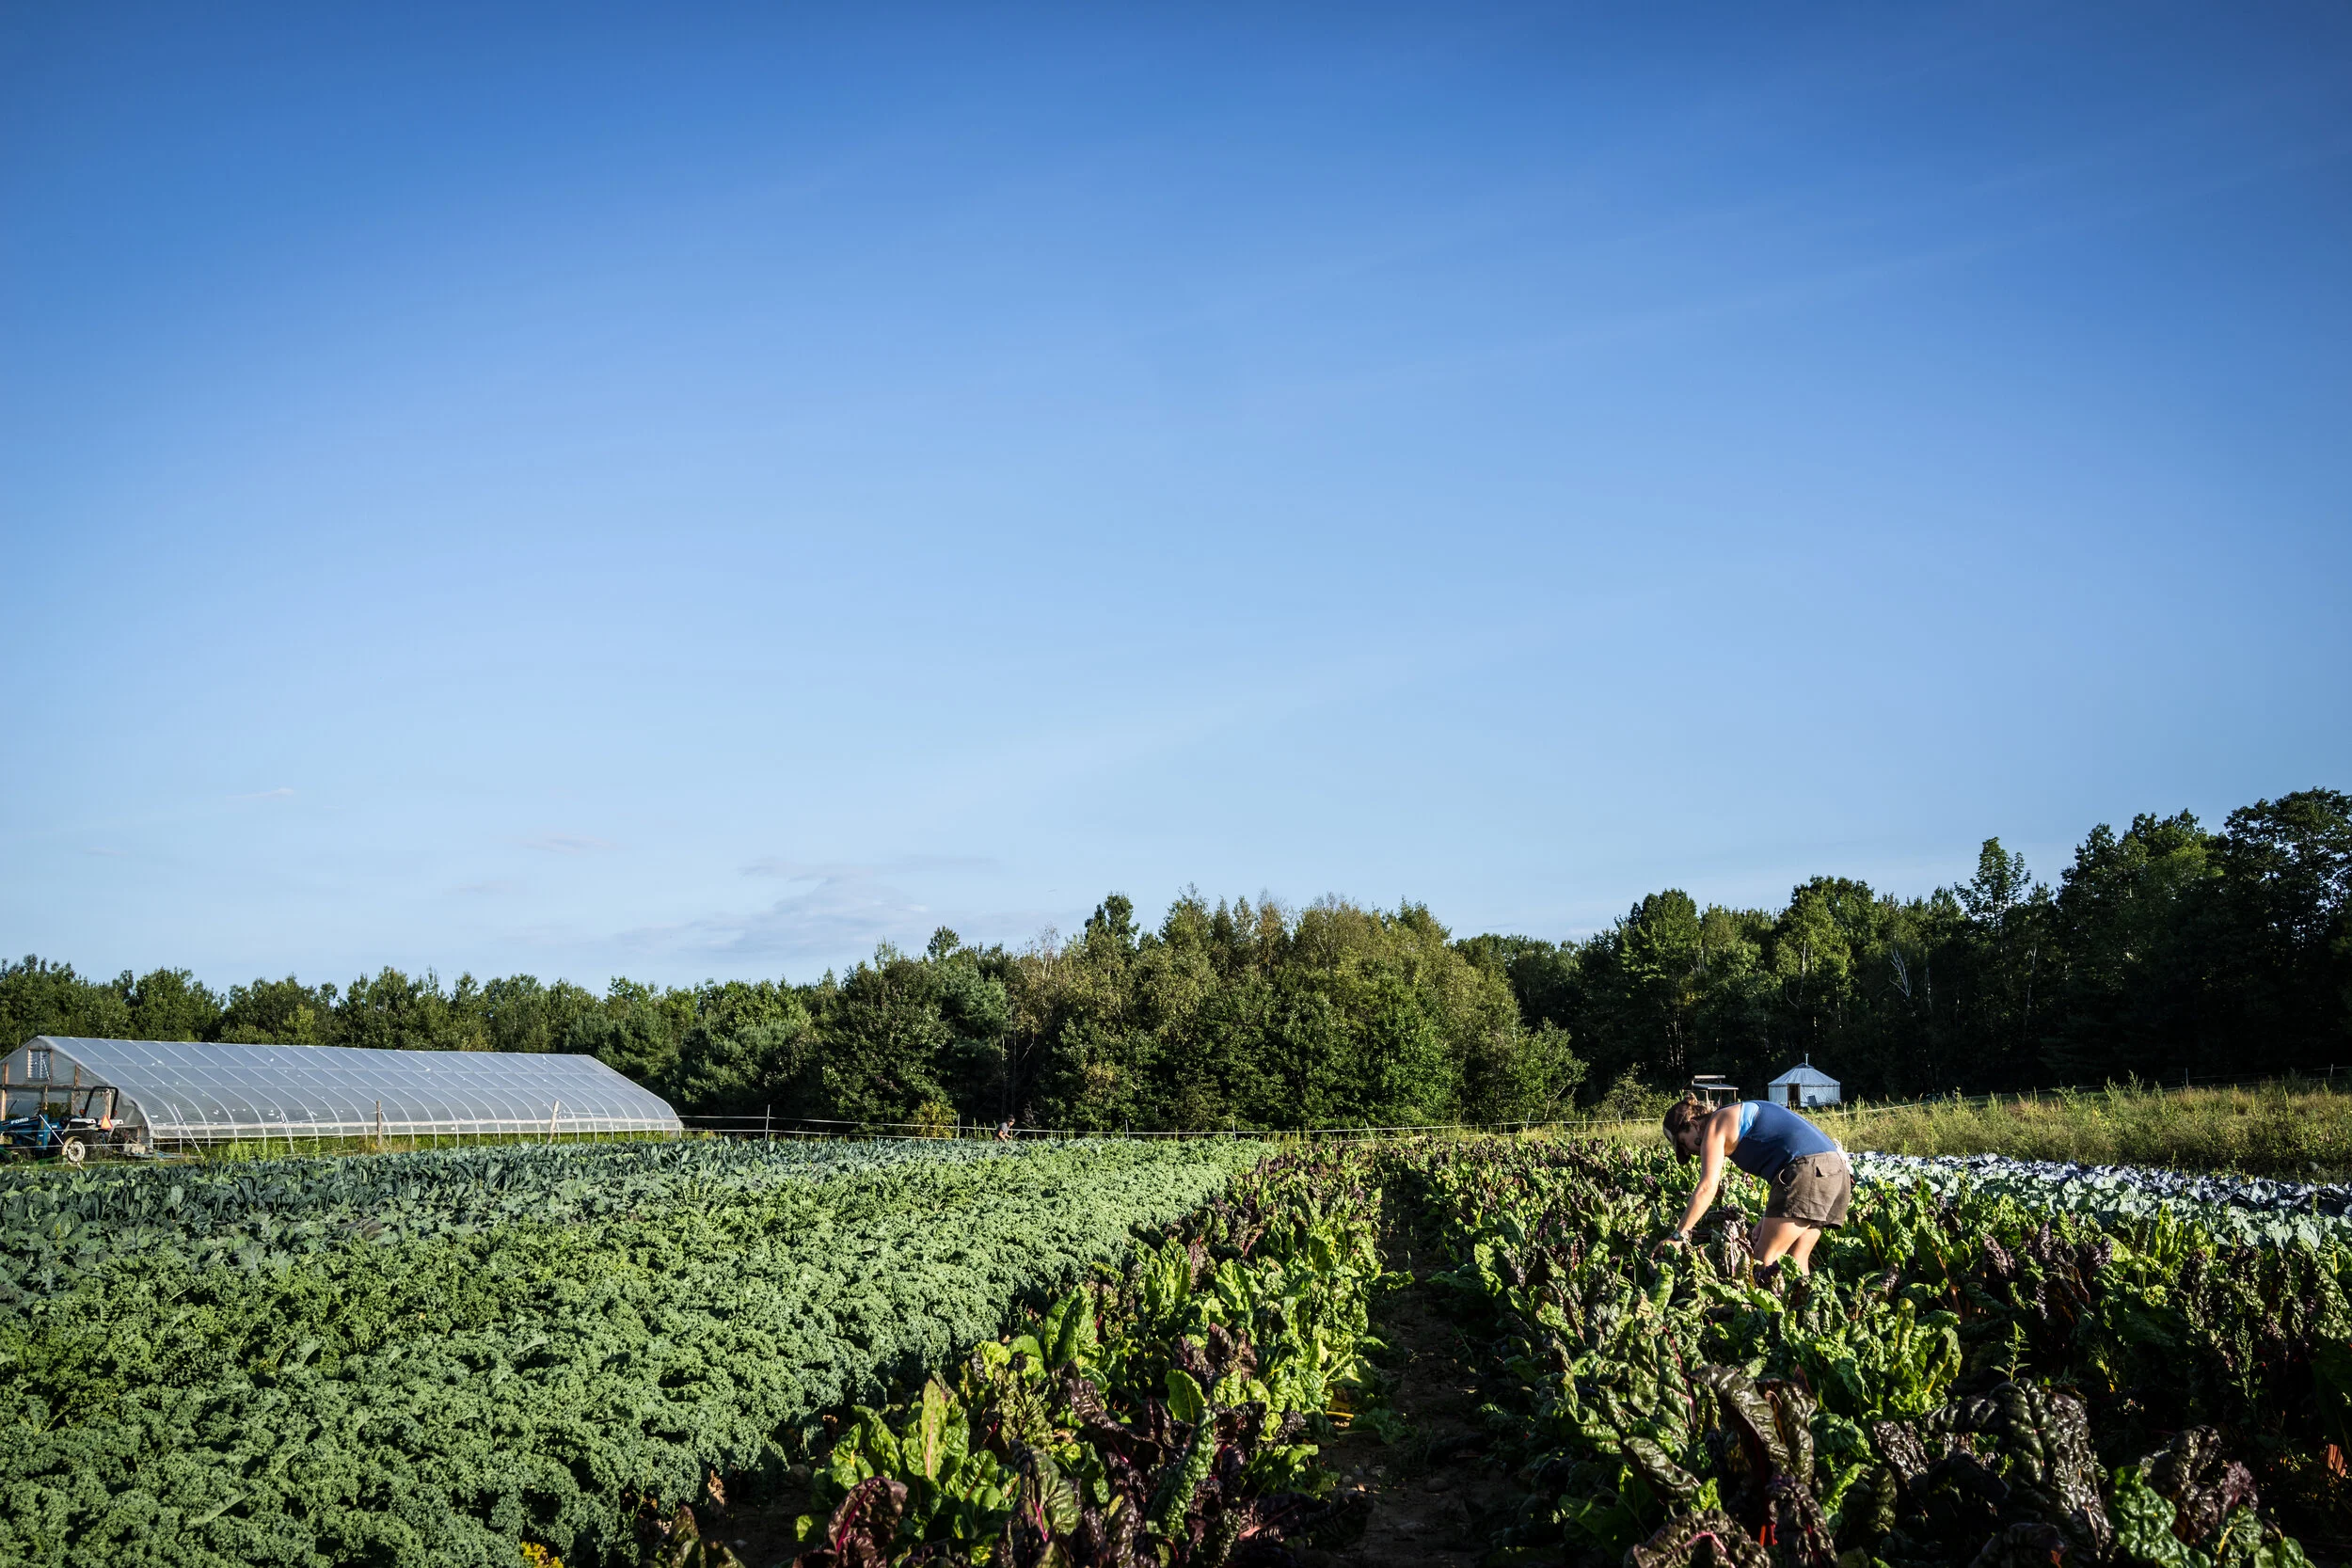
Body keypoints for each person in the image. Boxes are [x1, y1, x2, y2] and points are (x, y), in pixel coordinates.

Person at [1656, 1091, 1852, 1274]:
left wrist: (1678, 1236)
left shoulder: (1716, 1124)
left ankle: (1767, 1312)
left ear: (1694, 1124)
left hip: (1809, 1170)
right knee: (1796, 1260)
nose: (1688, 1152)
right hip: (1835, 1172)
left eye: (1683, 1142)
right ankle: (1803, 1310)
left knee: (1763, 1260)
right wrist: (1769, 1217)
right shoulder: (1736, 1114)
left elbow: (1708, 1186)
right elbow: (1785, 1154)